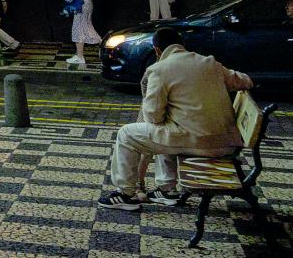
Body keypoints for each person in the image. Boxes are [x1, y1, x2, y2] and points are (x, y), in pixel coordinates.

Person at [99, 28, 255, 210]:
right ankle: (166, 191)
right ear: (182, 46)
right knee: (168, 130)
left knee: (127, 134)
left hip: (200, 143)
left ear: (157, 50)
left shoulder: (159, 70)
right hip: (227, 142)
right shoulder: (209, 63)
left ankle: (125, 194)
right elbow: (245, 81)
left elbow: (152, 117)